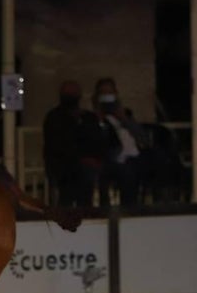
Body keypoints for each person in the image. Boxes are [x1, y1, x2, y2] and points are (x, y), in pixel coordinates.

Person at [41, 79, 106, 207]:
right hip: (64, 164)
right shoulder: (55, 117)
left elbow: (97, 140)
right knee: (76, 177)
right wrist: (82, 159)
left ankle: (95, 210)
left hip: (87, 162)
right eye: (68, 94)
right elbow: (57, 145)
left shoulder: (88, 117)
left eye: (73, 93)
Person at [93, 77, 147, 207]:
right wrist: (100, 119)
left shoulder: (125, 114)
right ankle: (128, 210)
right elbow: (100, 142)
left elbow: (142, 137)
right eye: (104, 94)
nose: (108, 98)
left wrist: (124, 119)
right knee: (127, 172)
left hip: (135, 156)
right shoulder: (94, 119)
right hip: (114, 159)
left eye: (110, 94)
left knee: (153, 161)